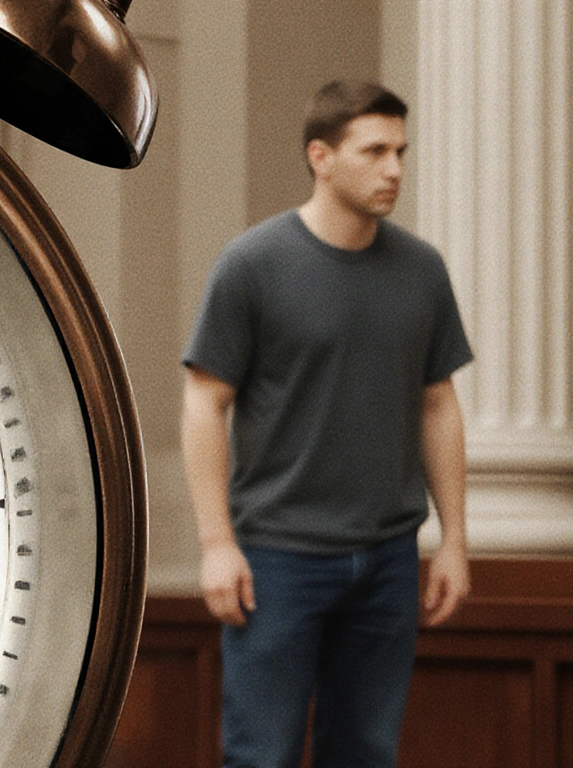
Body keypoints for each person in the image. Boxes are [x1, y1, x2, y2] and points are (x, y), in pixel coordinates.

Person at [180, 80, 473, 768]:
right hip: (277, 558)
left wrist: (455, 541)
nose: (394, 169)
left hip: (389, 558)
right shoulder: (252, 265)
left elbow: (438, 405)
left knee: (366, 754)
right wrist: (216, 543)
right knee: (262, 757)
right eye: (374, 151)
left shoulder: (422, 270)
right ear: (321, 156)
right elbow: (204, 403)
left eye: (400, 151)